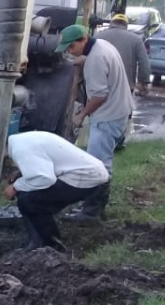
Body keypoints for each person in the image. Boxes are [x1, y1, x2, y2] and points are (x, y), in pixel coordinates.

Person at [57, 23, 135, 219]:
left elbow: (99, 95)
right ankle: (91, 208)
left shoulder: (95, 60)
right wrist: (82, 60)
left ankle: (92, 211)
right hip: (120, 110)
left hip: (108, 116)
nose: (70, 52)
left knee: (98, 165)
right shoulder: (102, 45)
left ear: (83, 40)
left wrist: (81, 115)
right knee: (99, 163)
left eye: (71, 47)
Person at [3, 131, 109, 251]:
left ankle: (51, 245)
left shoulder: (20, 150)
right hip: (91, 172)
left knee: (29, 201)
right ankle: (37, 240)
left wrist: (15, 187)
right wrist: (22, 173)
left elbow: (45, 178)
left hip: (86, 177)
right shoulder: (20, 140)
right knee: (28, 191)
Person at [97, 14, 152, 97]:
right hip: (125, 85)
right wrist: (144, 82)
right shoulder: (136, 40)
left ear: (111, 23)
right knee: (122, 109)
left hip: (100, 83)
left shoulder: (98, 37)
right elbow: (143, 62)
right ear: (126, 25)